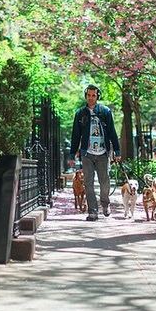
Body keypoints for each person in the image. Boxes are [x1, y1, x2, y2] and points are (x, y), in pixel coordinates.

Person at [68, 85, 121, 221]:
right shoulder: (80, 114)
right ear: (86, 96)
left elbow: (112, 132)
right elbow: (75, 135)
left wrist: (117, 151)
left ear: (97, 96)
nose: (91, 98)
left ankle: (105, 204)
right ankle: (92, 212)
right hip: (87, 153)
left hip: (103, 153)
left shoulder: (105, 111)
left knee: (105, 182)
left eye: (93, 95)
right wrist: (72, 155)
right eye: (89, 95)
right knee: (88, 183)